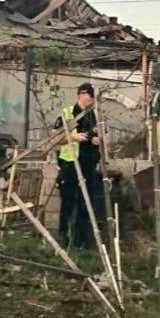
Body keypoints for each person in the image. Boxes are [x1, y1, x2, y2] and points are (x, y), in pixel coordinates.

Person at [56, 82, 106, 248]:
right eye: (90, 96)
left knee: (86, 204)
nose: (92, 100)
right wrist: (75, 137)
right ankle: (64, 239)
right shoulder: (68, 113)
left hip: (89, 165)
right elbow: (55, 139)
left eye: (93, 97)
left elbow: (101, 135)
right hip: (71, 164)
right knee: (68, 202)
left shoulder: (93, 115)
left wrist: (97, 139)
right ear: (81, 95)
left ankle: (81, 242)